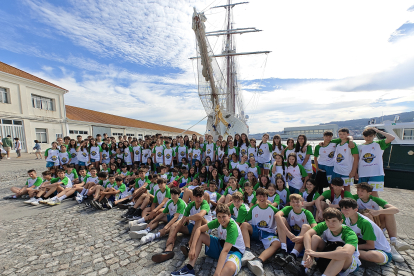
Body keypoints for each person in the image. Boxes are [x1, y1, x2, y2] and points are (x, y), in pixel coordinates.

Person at [172, 203, 245, 276]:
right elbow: (199, 229)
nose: (221, 219)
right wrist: (192, 247)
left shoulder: (232, 227)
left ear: (229, 216)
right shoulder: (218, 221)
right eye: (219, 216)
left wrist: (216, 273)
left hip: (234, 251)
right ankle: (189, 268)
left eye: (224, 216)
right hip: (221, 245)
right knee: (200, 236)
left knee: (230, 269)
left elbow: (225, 251)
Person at [151, 187, 211, 263]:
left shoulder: (204, 203)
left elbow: (199, 216)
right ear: (193, 197)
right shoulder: (191, 205)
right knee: (174, 226)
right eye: (196, 196)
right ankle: (168, 250)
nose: (198, 198)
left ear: (203, 196)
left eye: (200, 196)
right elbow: (182, 220)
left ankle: (189, 245)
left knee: (199, 219)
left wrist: (188, 218)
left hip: (205, 228)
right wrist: (172, 236)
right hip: (193, 227)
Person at [353, 182, 410, 254]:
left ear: (369, 193)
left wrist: (379, 212)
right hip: (364, 226)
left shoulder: (374, 199)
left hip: (377, 223)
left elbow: (396, 210)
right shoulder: (354, 198)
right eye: (358, 190)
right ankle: (385, 244)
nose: (359, 193)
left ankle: (393, 241)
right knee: (366, 214)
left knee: (389, 213)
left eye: (362, 191)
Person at [339, 198, 402, 264]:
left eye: (346, 209)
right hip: (363, 246)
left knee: (372, 256)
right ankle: (350, 252)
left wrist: (350, 247)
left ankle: (349, 252)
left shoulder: (365, 223)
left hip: (380, 250)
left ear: (355, 210)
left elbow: (370, 246)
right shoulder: (346, 217)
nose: (343, 211)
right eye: (342, 208)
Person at [302, 208, 360, 276]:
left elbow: (346, 253)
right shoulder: (324, 225)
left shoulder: (349, 233)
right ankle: (304, 266)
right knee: (315, 238)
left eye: (334, 221)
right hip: (329, 255)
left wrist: (315, 254)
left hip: (347, 263)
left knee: (340, 249)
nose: (330, 224)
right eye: (328, 220)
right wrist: (309, 254)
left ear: (341, 221)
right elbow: (307, 234)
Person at [240, 188, 280, 276]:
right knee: (244, 225)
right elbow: (245, 219)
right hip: (256, 230)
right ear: (256, 197)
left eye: (264, 196)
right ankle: (247, 252)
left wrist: (278, 229)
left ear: (267, 197)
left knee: (277, 244)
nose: (262, 198)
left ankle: (258, 261)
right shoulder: (254, 208)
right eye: (260, 196)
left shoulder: (273, 209)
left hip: (268, 233)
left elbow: (280, 218)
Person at [274, 194, 317, 274]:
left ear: (302, 203)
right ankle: (283, 250)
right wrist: (288, 233)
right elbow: (277, 215)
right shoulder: (289, 209)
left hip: (301, 240)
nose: (295, 204)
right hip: (290, 236)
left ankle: (293, 255)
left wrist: (303, 237)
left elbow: (315, 227)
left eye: (297, 202)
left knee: (306, 226)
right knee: (281, 219)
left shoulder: (307, 213)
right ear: (290, 203)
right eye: (293, 202)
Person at [357, 127, 395, 197]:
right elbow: (358, 160)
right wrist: (356, 172)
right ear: (363, 136)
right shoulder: (359, 146)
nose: (368, 138)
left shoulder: (379, 144)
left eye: (370, 136)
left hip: (375, 173)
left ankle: (375, 207)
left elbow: (391, 138)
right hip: (363, 173)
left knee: (373, 193)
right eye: (366, 136)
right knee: (361, 192)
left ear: (374, 136)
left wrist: (378, 131)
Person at [332, 128, 358, 192]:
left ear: (348, 134)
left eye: (344, 134)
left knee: (346, 188)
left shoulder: (351, 144)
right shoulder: (338, 144)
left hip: (346, 170)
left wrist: (354, 171)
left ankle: (347, 201)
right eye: (340, 134)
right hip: (337, 170)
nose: (342, 135)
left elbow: (356, 158)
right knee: (336, 187)